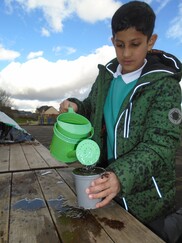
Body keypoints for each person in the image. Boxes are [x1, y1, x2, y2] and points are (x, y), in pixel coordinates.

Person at [59, 1, 182, 242]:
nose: (126, 53)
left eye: (135, 44)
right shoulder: (107, 76)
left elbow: (161, 146)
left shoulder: (165, 85)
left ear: (151, 41)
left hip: (149, 203)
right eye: (119, 44)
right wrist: (75, 106)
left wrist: (120, 176)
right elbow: (91, 106)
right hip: (108, 193)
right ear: (113, 41)